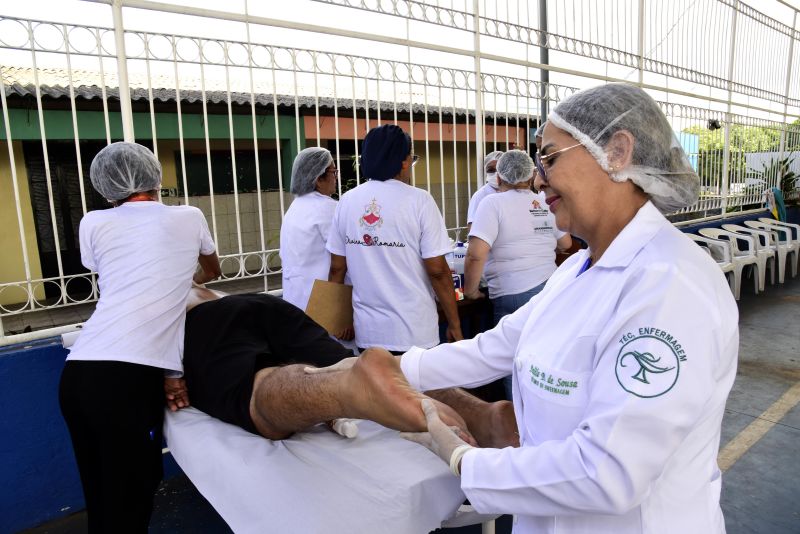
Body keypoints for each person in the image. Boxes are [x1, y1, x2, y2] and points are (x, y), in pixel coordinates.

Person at [391, 84, 738, 533]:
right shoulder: (578, 268)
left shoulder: (670, 287)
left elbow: (607, 473)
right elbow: (500, 345)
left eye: (551, 158)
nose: (538, 179)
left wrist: (465, 462)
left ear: (617, 151)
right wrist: (398, 369)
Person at [58, 142, 221, 533]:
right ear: (155, 175)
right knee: (134, 494)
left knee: (101, 494)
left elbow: (122, 281)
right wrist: (186, 280)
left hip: (78, 374)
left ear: (104, 186)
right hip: (126, 381)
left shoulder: (93, 223)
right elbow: (211, 269)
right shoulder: (190, 216)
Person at [168, 286, 518, 449]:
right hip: (257, 304)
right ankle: (485, 416)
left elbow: (129, 347)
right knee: (337, 361)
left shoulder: (124, 285)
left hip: (200, 323)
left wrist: (166, 377)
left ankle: (349, 388)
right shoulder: (177, 266)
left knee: (257, 398)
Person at [326, 124, 462, 352]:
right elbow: (437, 271)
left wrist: (336, 319)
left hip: (368, 334)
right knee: (416, 388)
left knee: (375, 388)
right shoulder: (419, 201)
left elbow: (337, 269)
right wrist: (455, 324)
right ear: (404, 161)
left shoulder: (347, 201)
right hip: (414, 332)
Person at [464, 149, 572, 325]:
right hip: (550, 287)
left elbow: (475, 255)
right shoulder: (544, 203)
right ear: (531, 177)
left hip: (512, 293)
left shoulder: (492, 203)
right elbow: (566, 243)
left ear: (498, 178)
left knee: (510, 349)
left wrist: (471, 292)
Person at [280, 147, 339, 312]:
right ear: (319, 179)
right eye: (334, 172)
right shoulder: (328, 208)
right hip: (321, 304)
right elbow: (341, 262)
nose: (336, 178)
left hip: (295, 298)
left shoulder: (295, 207)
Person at [466, 150, 504, 232]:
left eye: (499, 169)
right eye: (491, 170)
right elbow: (472, 225)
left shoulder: (511, 192)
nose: (496, 174)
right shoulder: (480, 195)